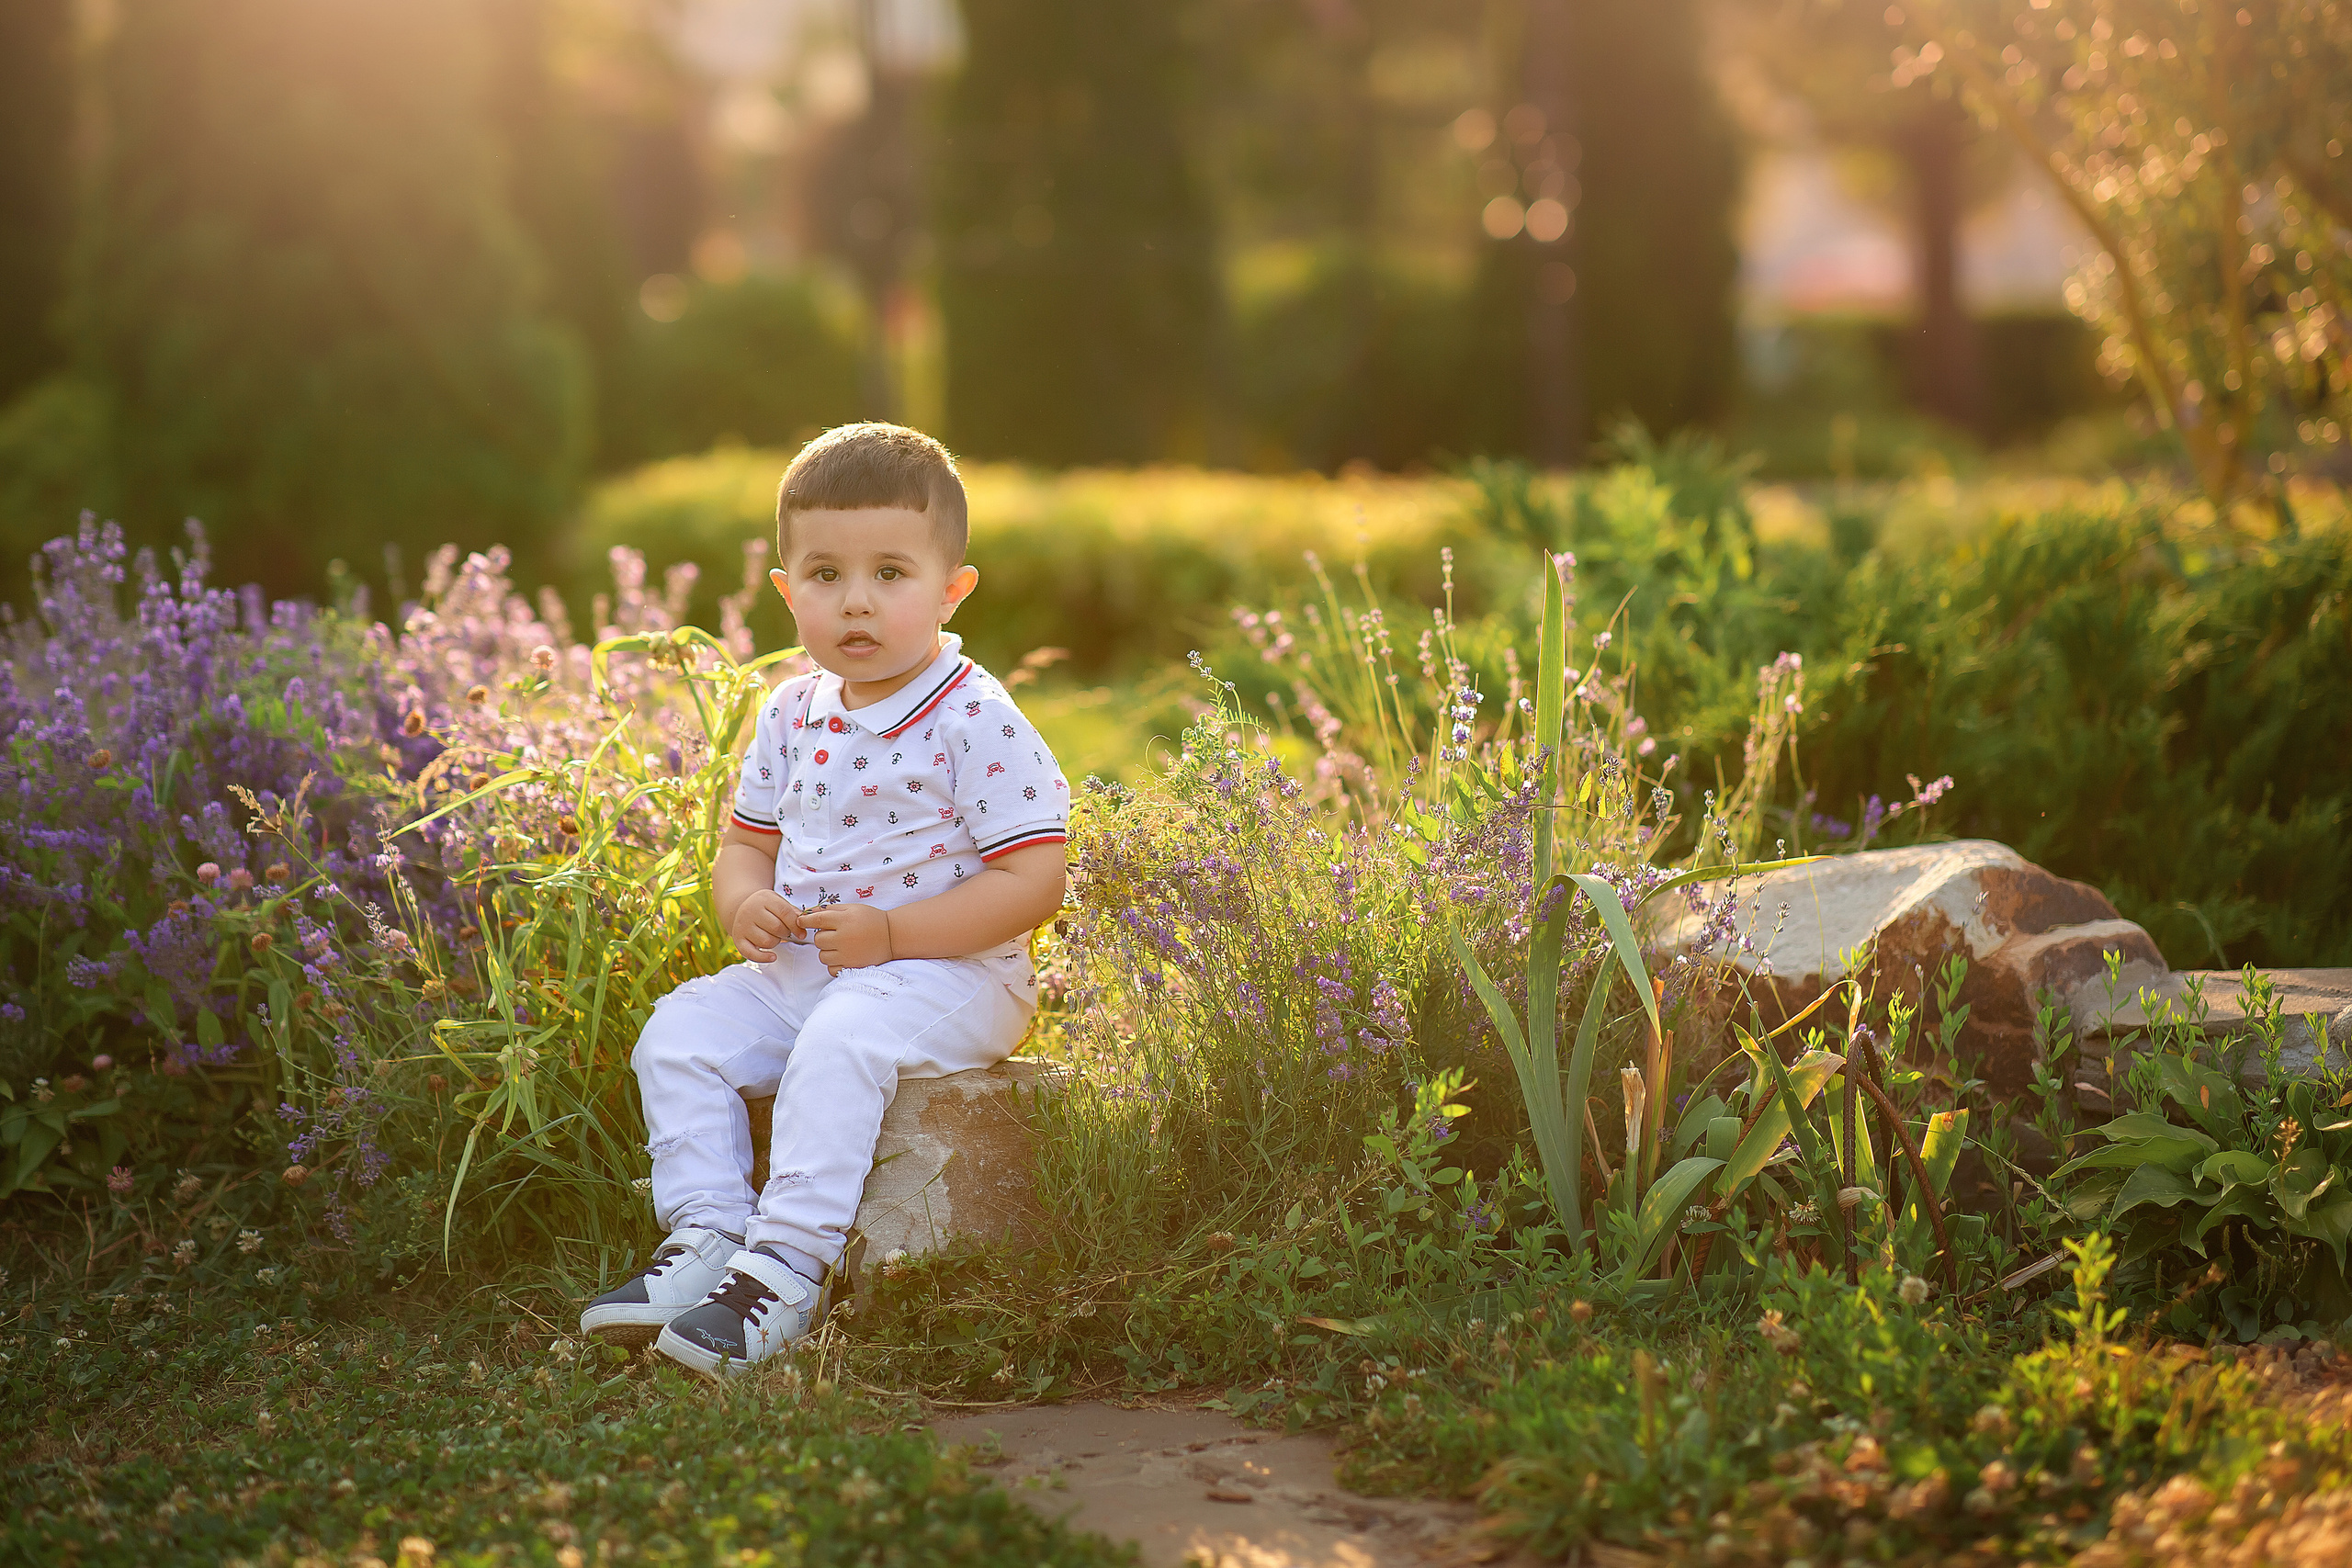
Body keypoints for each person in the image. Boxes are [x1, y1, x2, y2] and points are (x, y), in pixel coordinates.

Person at [581, 423, 1069, 1377]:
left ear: (950, 587)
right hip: (811, 969)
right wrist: (743, 904)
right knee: (678, 1032)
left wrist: (893, 933)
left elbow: (1033, 882)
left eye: (891, 573)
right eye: (825, 575)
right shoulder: (790, 711)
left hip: (953, 974)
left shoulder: (973, 716)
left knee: (843, 1038)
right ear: (784, 588)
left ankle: (784, 1268)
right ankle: (708, 1236)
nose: (856, 602)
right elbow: (744, 844)